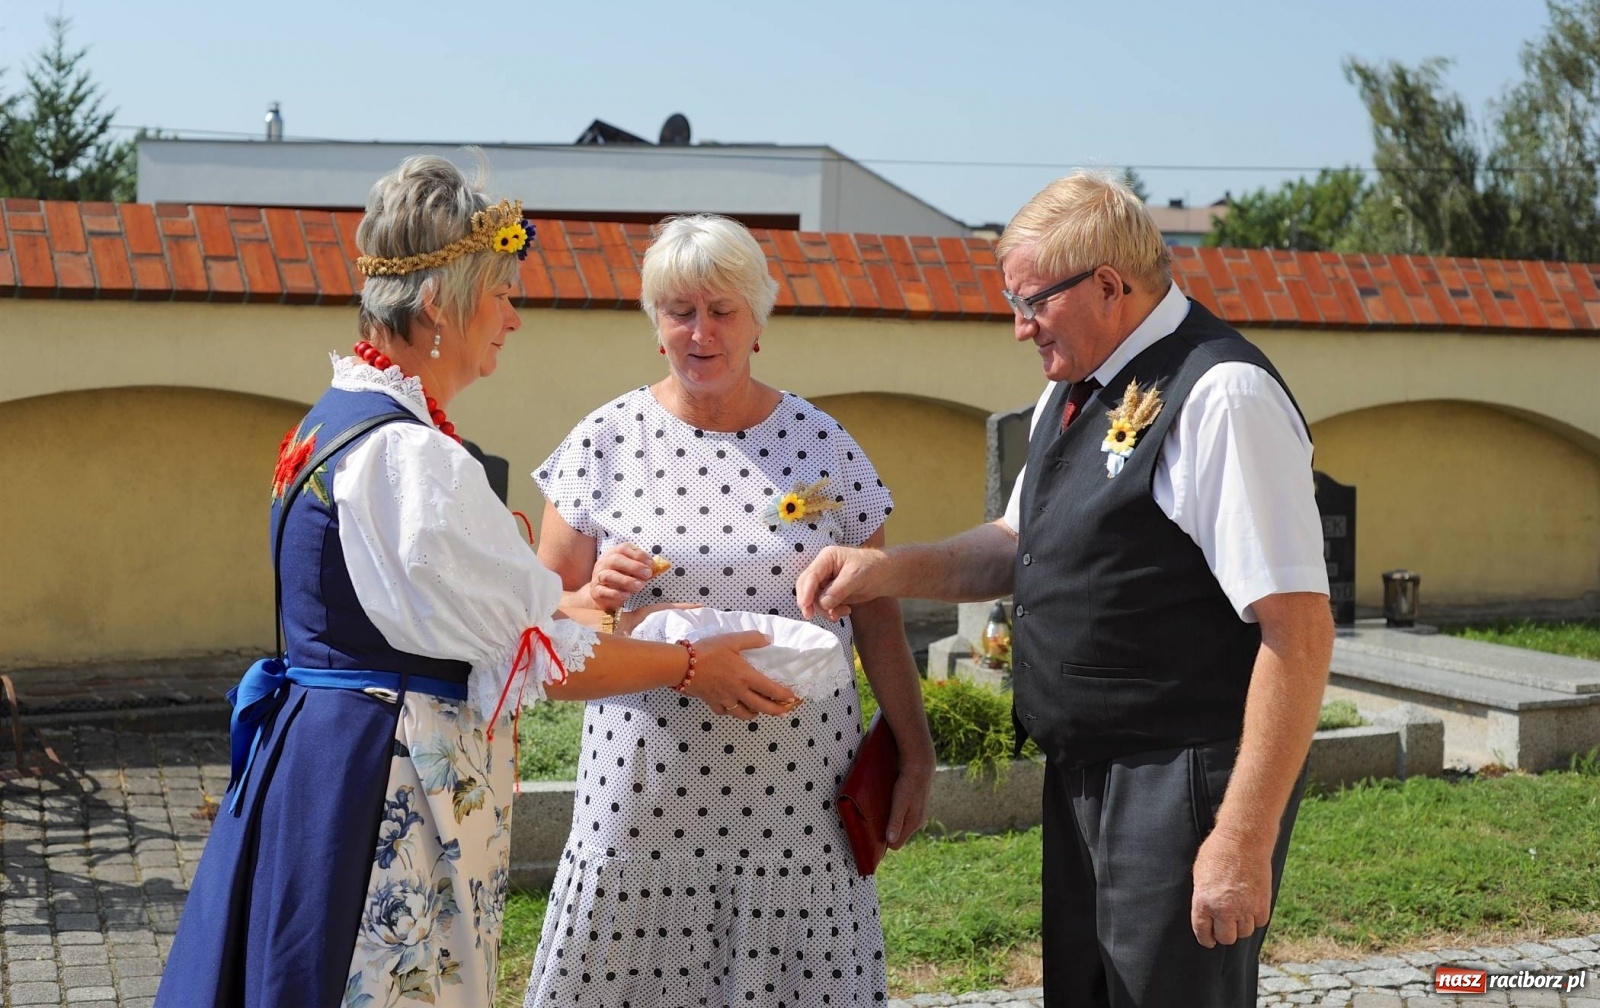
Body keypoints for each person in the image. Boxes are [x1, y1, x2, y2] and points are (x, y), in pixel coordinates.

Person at [154, 158, 797, 1008]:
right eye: (500, 293)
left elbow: (480, 619)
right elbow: (547, 659)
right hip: (383, 787)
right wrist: (689, 667)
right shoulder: (413, 460)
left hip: (325, 753)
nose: (514, 318)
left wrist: (601, 606)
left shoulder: (340, 420)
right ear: (437, 306)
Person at [796, 172, 1334, 1008]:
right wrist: (889, 570)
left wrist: (1241, 837)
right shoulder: (1077, 382)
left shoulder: (1223, 395)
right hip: (1087, 770)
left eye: (1030, 301)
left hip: (1181, 778)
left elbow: (1297, 634)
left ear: (1109, 287)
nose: (1017, 327)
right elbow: (1017, 543)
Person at [523, 214, 936, 1007]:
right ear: (655, 326)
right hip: (644, 795)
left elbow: (879, 616)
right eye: (680, 311)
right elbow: (541, 627)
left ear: (758, 323)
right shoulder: (603, 444)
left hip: (797, 802)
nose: (700, 332)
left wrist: (915, 751)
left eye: (722, 311)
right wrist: (598, 598)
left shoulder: (826, 447)